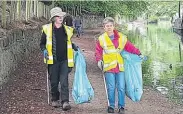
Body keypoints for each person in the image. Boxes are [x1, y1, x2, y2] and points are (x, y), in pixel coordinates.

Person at [95, 17, 143, 114]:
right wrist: (99, 60)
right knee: (111, 87)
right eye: (107, 26)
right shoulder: (101, 39)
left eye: (111, 25)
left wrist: (138, 53)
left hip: (120, 67)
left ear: (114, 26)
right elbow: (98, 51)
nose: (109, 27)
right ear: (104, 27)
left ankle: (121, 107)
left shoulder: (121, 37)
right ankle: (111, 106)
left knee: (121, 87)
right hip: (109, 67)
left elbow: (130, 47)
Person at [40, 7, 78, 111]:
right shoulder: (47, 29)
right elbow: (42, 43)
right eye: (58, 16)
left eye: (61, 16)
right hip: (53, 60)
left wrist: (74, 46)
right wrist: (44, 50)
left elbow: (68, 42)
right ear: (53, 18)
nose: (61, 18)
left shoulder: (67, 29)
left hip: (65, 60)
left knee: (64, 81)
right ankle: (54, 99)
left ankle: (65, 101)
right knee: (54, 81)